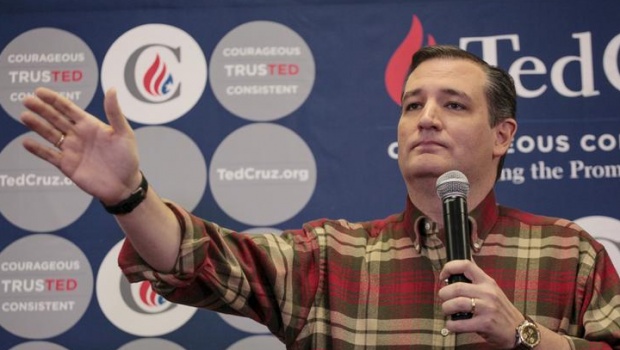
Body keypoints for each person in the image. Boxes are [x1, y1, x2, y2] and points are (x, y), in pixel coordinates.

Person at [20, 45, 620, 349]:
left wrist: (525, 334)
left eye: (453, 104)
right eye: (412, 104)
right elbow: (203, 259)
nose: (425, 118)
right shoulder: (331, 256)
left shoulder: (571, 252)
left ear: (502, 136)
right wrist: (129, 194)